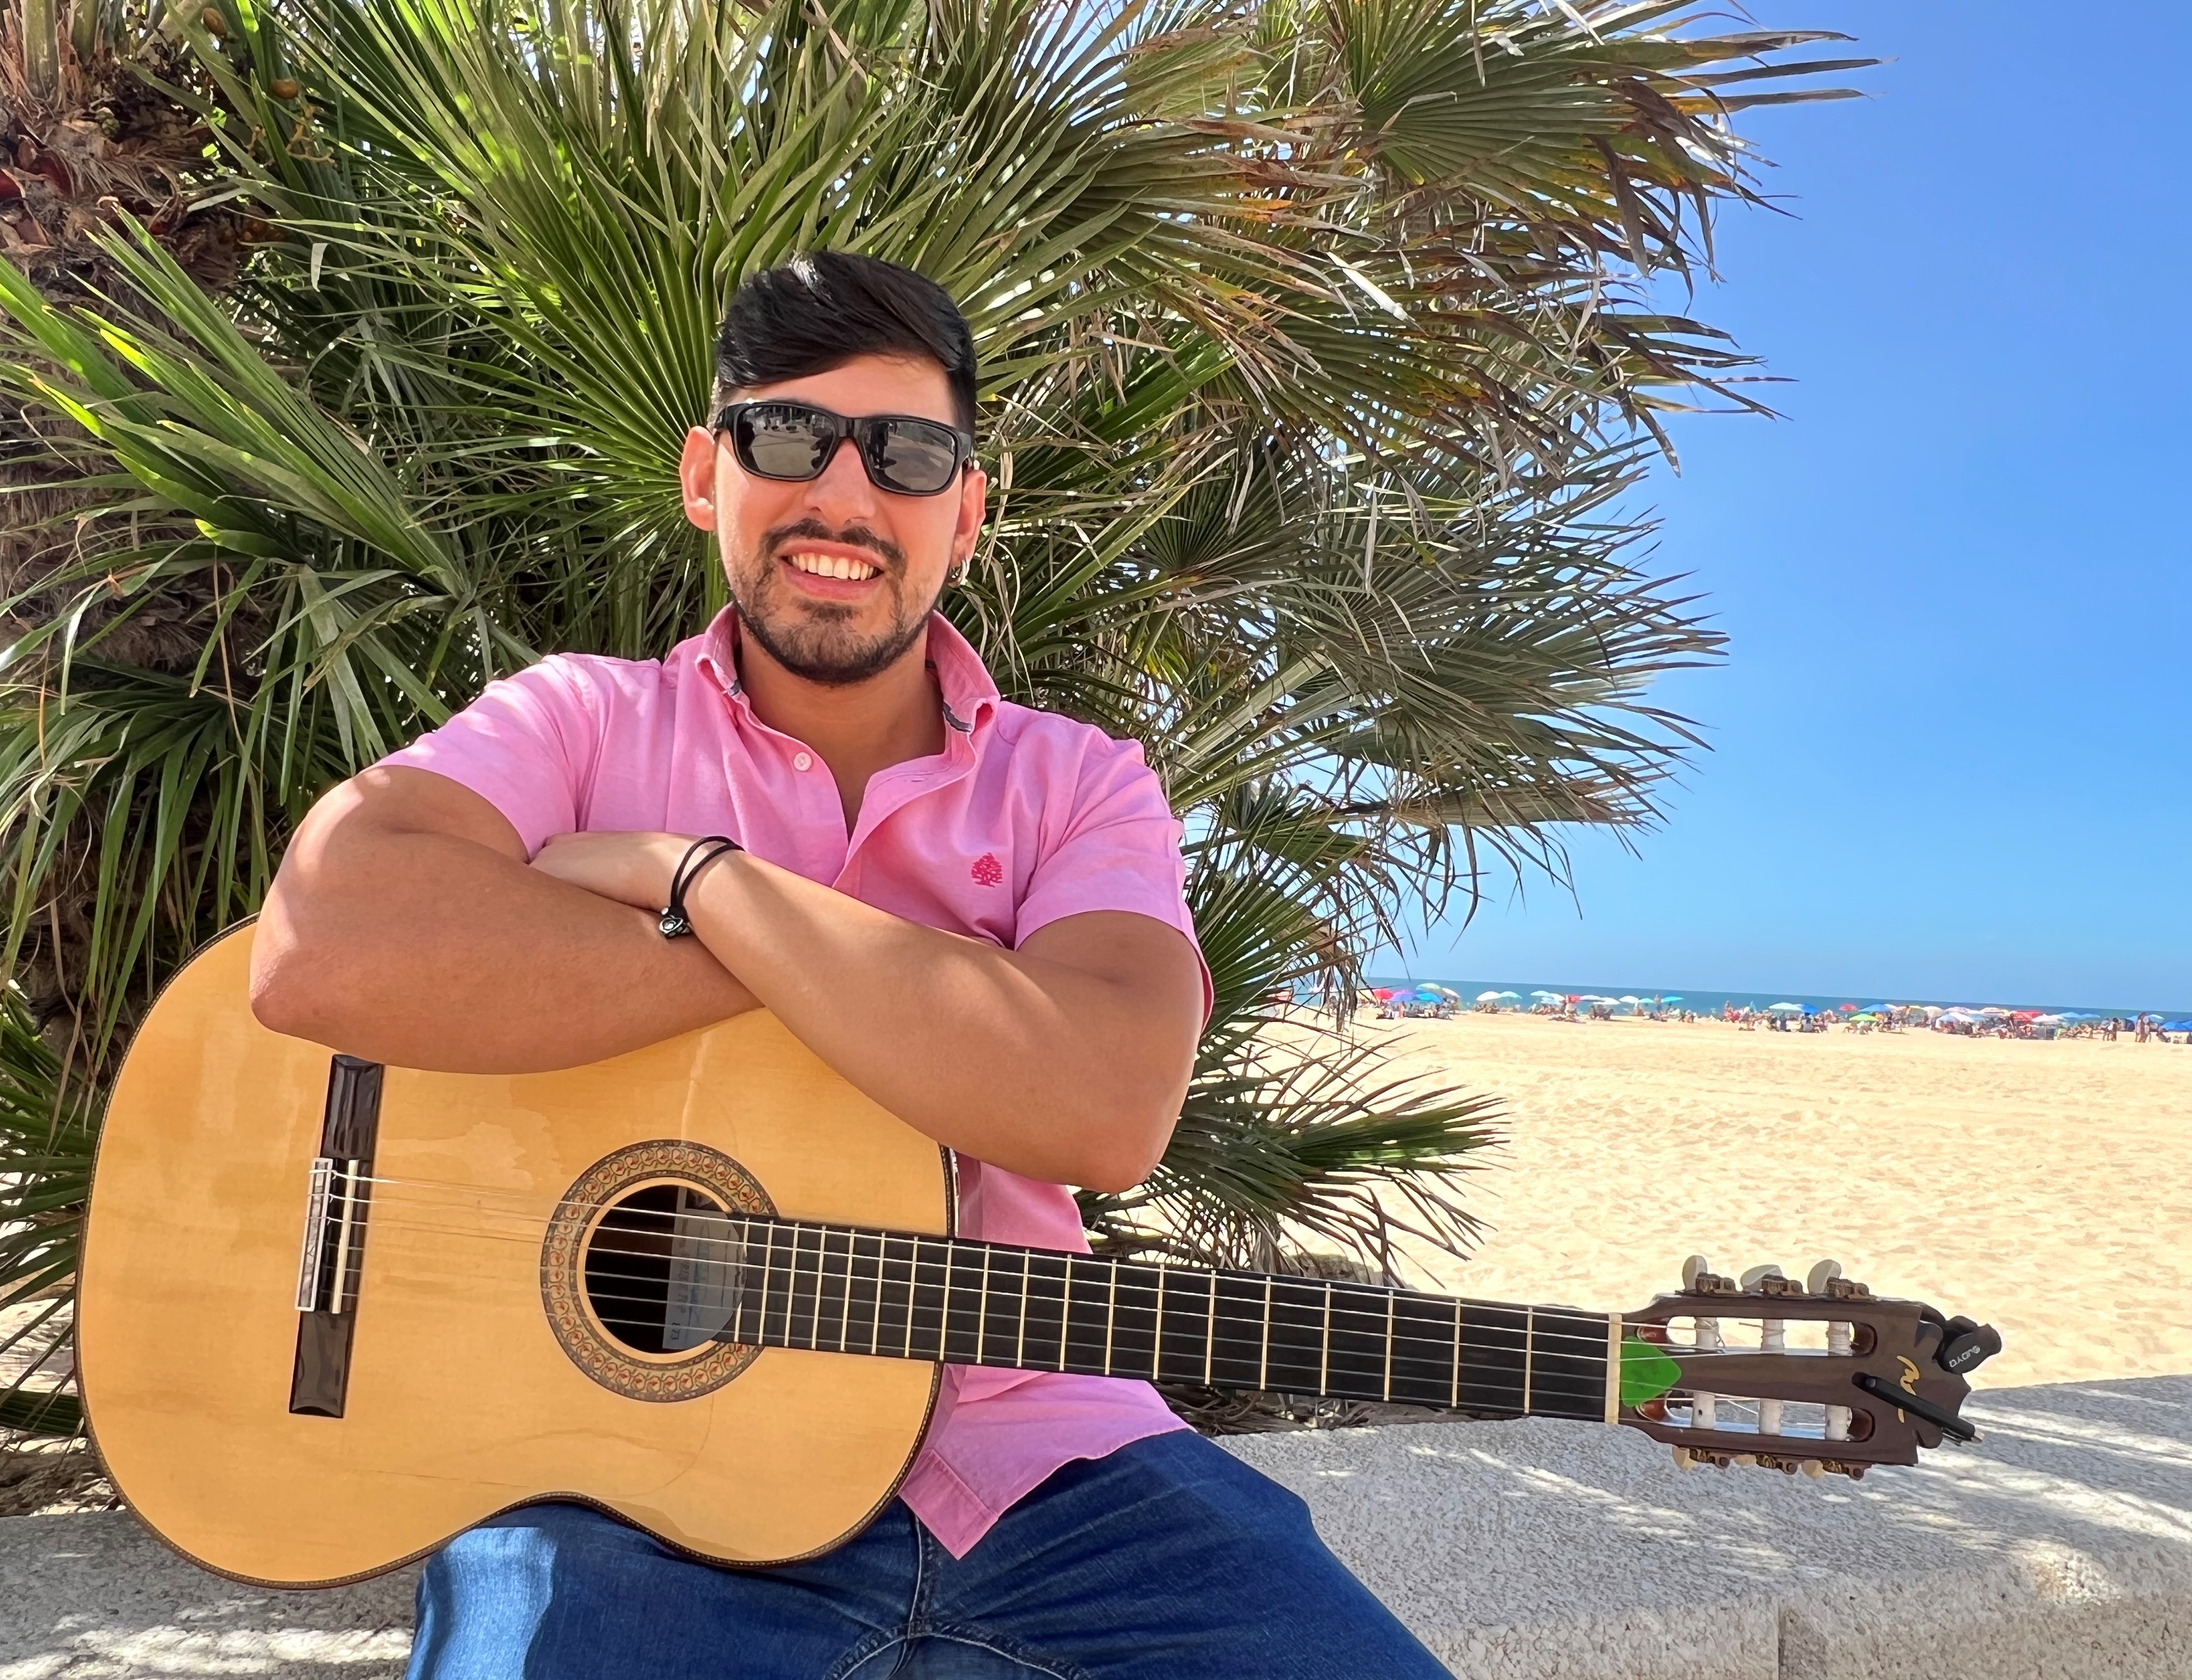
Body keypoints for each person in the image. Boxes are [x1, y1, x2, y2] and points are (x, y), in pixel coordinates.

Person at [249, 252, 1450, 1680]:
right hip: (618, 1493)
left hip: (1058, 1470)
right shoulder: (578, 720)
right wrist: (902, 1005)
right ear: (708, 476)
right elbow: (325, 938)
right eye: (786, 437)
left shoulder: (1080, 785)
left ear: (969, 509)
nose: (843, 495)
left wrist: (706, 884)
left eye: (908, 453)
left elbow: (1106, 1108)